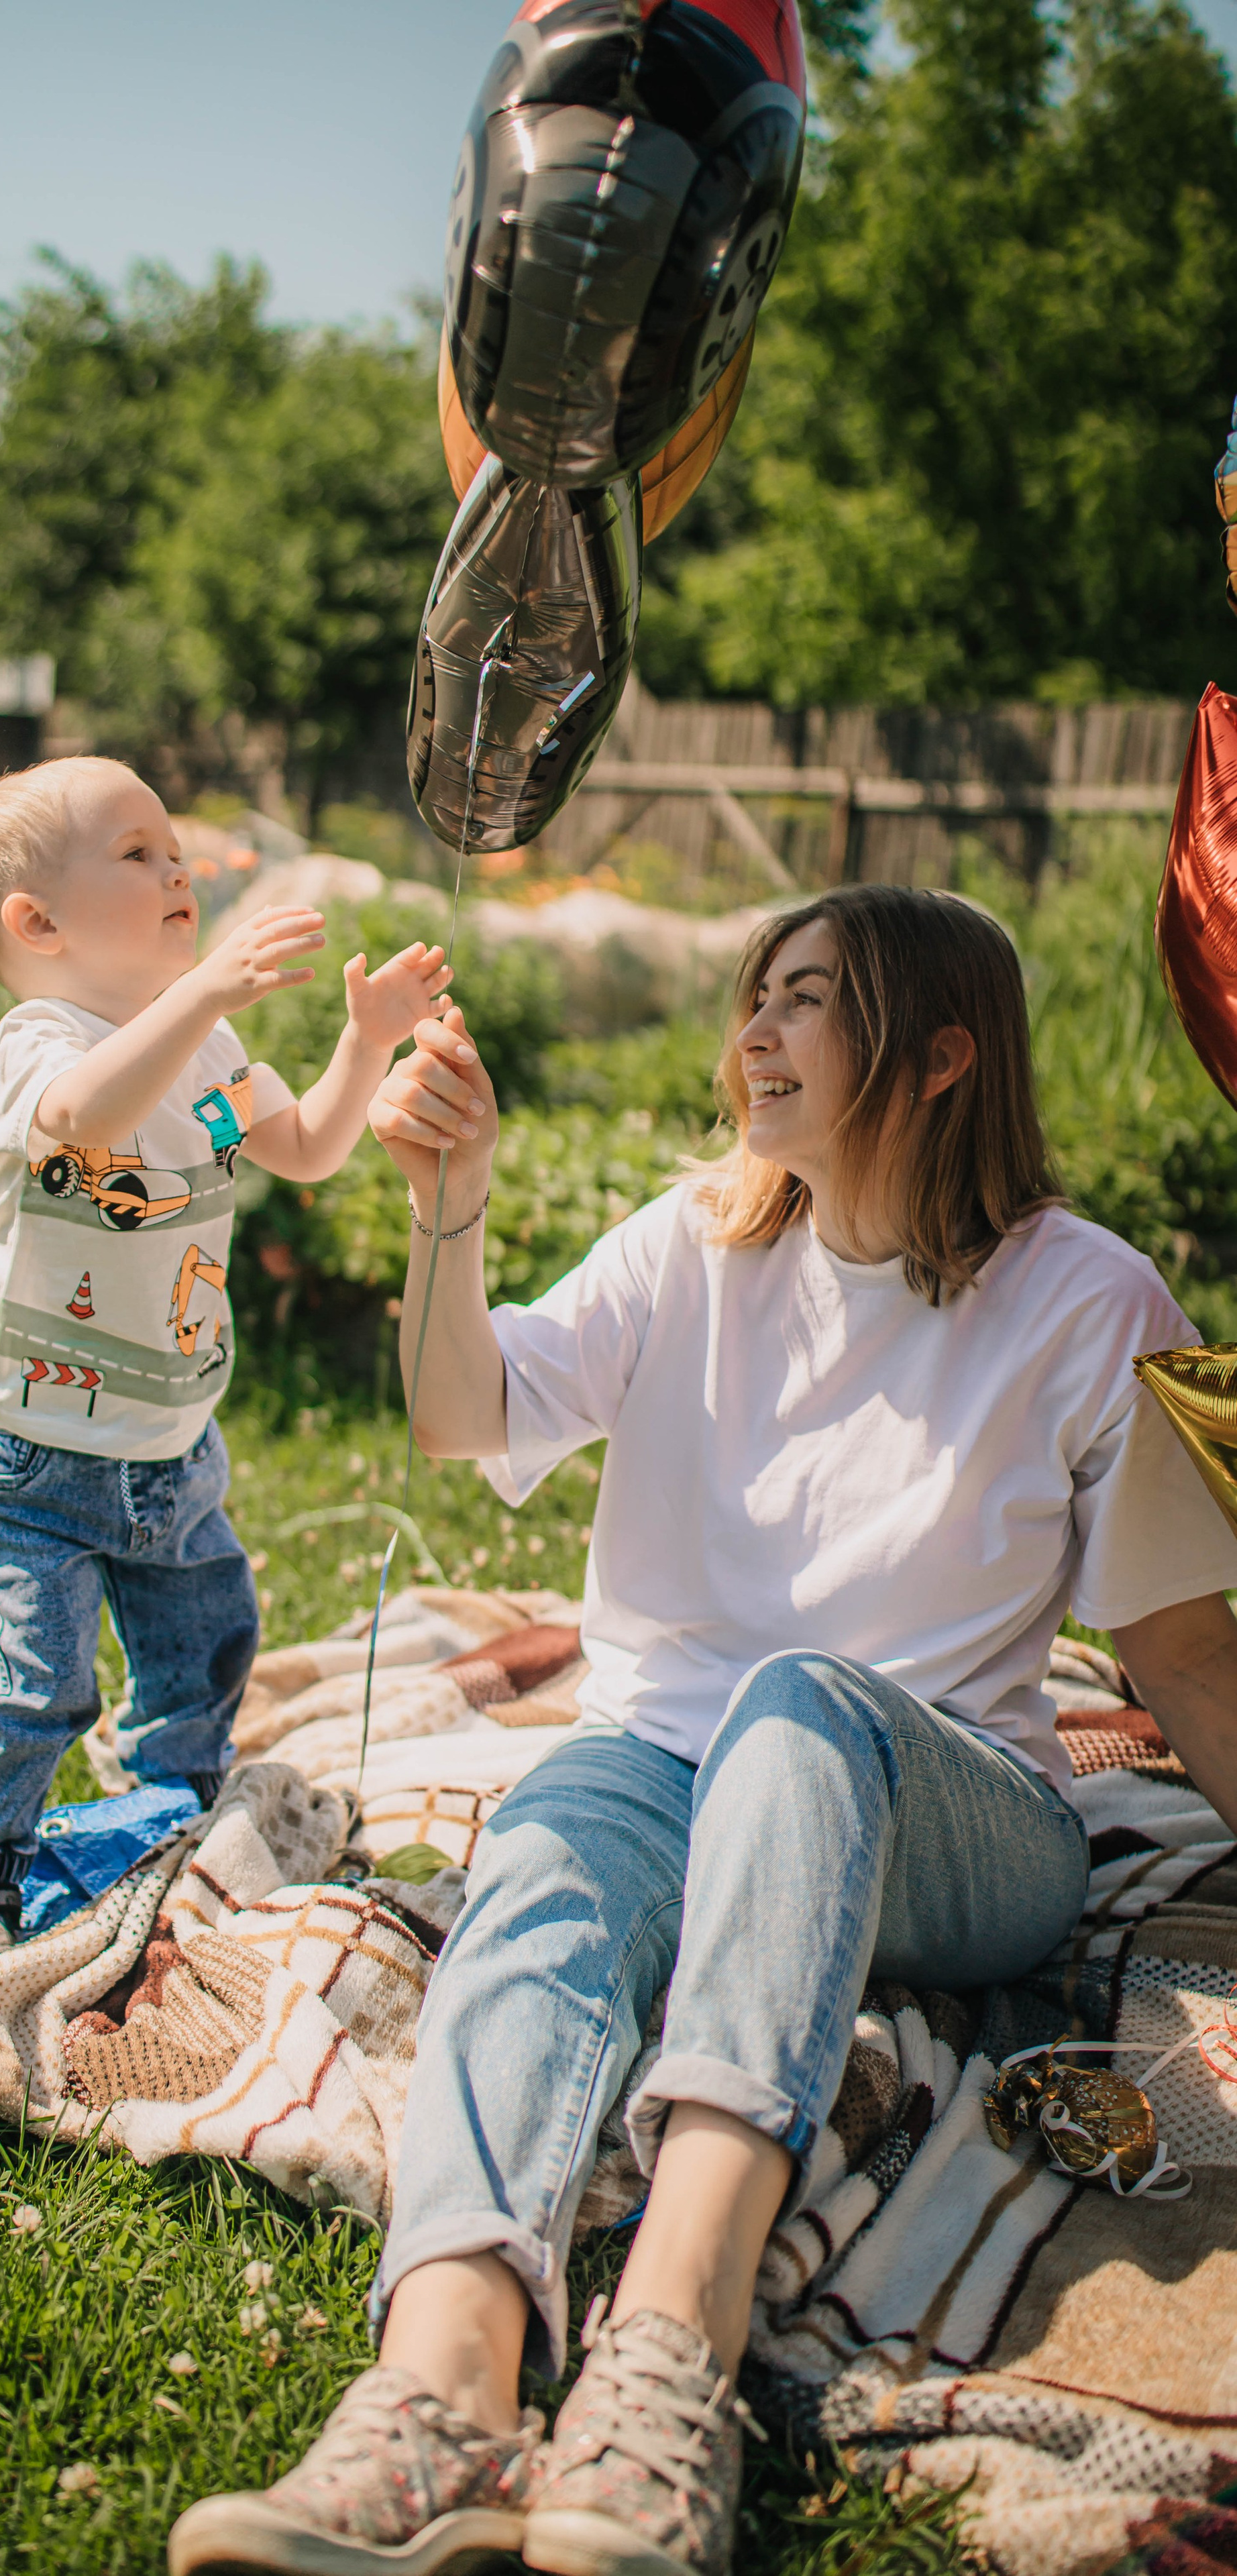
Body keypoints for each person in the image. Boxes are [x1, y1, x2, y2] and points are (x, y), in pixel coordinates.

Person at [170, 883, 1237, 2576]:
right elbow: (460, 1415)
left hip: (952, 1822)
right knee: (554, 1843)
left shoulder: (1087, 1302)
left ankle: (663, 2364)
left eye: (804, 1001)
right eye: (752, 996)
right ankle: (435, 2396)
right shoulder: (694, 1244)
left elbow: (1180, 1657)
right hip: (664, 1769)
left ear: (942, 1053)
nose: (748, 1032)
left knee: (797, 1709)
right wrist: (447, 1208)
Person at [0, 757, 451, 1972]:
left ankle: (165, 1823)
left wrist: (363, 1045)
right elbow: (87, 1120)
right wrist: (206, 990)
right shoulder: (42, 1040)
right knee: (36, 1683)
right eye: (137, 852)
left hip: (172, 1448)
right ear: (37, 924)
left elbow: (309, 1146)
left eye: (176, 850)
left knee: (205, 1645)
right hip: (35, 1456)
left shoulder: (209, 1053)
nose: (180, 869)